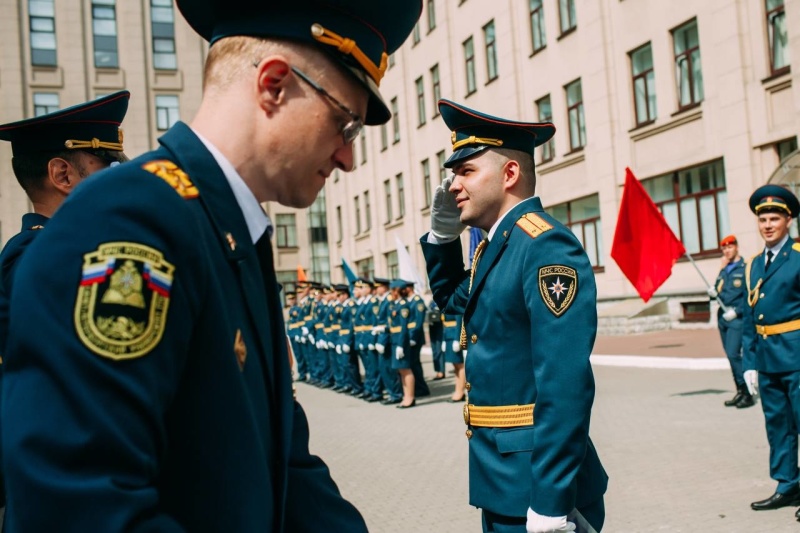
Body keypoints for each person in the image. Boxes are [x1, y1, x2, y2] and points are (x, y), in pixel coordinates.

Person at [1, 0, 422, 530]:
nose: (347, 157)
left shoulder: (227, 228)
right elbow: (82, 504)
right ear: (273, 85)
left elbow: (287, 463)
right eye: (346, 123)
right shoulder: (129, 222)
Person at [420, 99, 608, 533]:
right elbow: (452, 302)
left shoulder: (543, 246)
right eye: (453, 175)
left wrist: (551, 501)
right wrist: (444, 238)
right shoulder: (495, 246)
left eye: (466, 171)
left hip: (538, 490)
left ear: (509, 174)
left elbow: (564, 384)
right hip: (503, 479)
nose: (452, 186)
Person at [0, 91, 130, 512]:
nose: (119, 179)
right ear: (63, 174)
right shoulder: (36, 258)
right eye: (107, 167)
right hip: (64, 485)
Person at [741, 184, 800, 518]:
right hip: (768, 359)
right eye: (762, 218)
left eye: (774, 217)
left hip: (797, 356)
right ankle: (787, 484)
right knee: (778, 425)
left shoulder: (798, 257)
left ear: (788, 221)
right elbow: (751, 318)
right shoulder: (753, 265)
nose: (767, 224)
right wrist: (749, 362)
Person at [707, 234, 753, 408]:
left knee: (734, 354)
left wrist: (737, 311)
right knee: (730, 356)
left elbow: (749, 295)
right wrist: (712, 293)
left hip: (736, 318)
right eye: (724, 248)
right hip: (723, 318)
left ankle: (747, 392)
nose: (727, 250)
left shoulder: (745, 267)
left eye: (730, 247)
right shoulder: (724, 269)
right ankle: (739, 391)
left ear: (737, 247)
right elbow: (719, 291)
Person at [442, 312, 466, 402]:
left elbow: (459, 321)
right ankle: (458, 389)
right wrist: (443, 339)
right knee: (455, 365)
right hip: (448, 335)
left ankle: (460, 391)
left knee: (459, 364)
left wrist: (457, 339)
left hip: (454, 335)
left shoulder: (455, 300)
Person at [428, 298, 445, 379]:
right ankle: (437, 370)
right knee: (434, 351)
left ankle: (441, 371)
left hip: (439, 328)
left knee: (439, 351)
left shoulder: (441, 300)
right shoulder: (432, 302)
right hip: (432, 327)